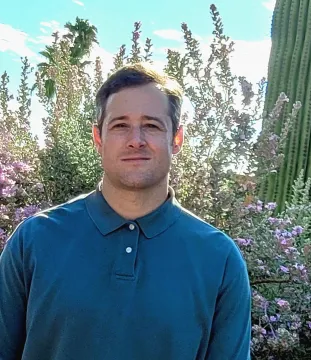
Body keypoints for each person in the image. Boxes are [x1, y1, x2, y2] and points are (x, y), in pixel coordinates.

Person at [0, 63, 252, 360]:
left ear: (177, 139)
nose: (136, 139)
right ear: (98, 139)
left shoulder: (219, 259)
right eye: (120, 125)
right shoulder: (34, 240)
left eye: (152, 125)